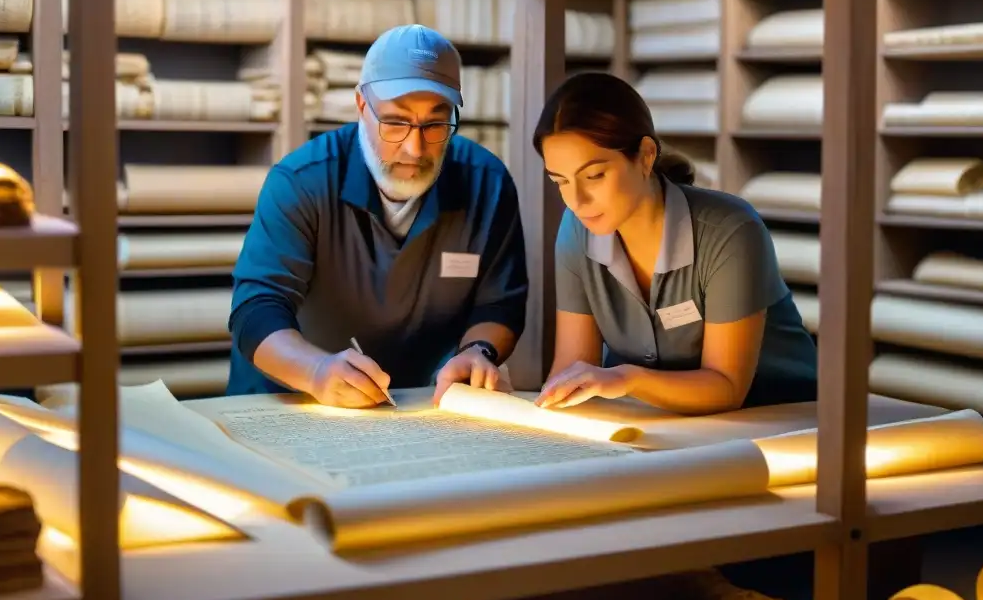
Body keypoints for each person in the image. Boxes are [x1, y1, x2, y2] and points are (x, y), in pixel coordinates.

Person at [227, 25, 528, 408]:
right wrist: (317, 372)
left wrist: (478, 351)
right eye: (396, 122)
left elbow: (499, 303)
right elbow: (256, 309)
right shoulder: (302, 181)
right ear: (361, 106)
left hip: (418, 405)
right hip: (290, 402)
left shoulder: (487, 183)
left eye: (435, 124)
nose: (415, 148)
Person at [532, 71, 816, 414]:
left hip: (782, 421)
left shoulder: (731, 231)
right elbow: (571, 367)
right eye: (560, 181)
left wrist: (626, 379)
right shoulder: (577, 230)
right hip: (667, 425)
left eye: (594, 176)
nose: (575, 199)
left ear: (646, 155)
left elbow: (726, 386)